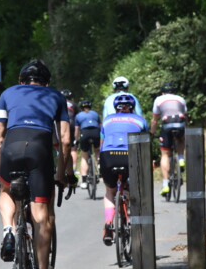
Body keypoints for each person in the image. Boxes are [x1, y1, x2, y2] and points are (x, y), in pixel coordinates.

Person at [0, 59, 70, 269]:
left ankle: (8, 229)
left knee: (5, 189)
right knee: (42, 216)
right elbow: (66, 140)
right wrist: (61, 174)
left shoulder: (7, 94)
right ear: (46, 82)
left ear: (21, 81)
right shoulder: (56, 96)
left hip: (11, 148)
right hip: (39, 150)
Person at [100, 94, 148, 246]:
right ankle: (130, 216)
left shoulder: (107, 120)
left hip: (108, 155)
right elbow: (145, 142)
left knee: (110, 191)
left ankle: (108, 223)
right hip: (129, 154)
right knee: (132, 187)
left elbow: (102, 142)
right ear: (132, 107)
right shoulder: (140, 120)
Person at [149, 82, 188, 197]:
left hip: (167, 125)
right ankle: (181, 158)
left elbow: (154, 120)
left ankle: (165, 184)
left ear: (162, 92)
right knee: (181, 139)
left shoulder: (158, 99)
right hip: (180, 124)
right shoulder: (181, 99)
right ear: (174, 91)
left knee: (165, 154)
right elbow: (185, 116)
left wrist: (152, 133)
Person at [74, 100, 101, 189]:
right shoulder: (95, 114)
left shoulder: (78, 115)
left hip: (85, 133)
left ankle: (84, 181)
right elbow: (100, 126)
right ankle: (100, 166)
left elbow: (77, 130)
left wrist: (76, 140)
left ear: (81, 108)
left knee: (84, 157)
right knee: (97, 150)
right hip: (96, 132)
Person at [60, 89, 79, 173]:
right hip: (72, 124)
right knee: (73, 148)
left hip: (61, 123)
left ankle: (61, 167)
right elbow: (78, 117)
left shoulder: (58, 103)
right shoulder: (74, 104)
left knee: (60, 146)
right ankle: (73, 168)